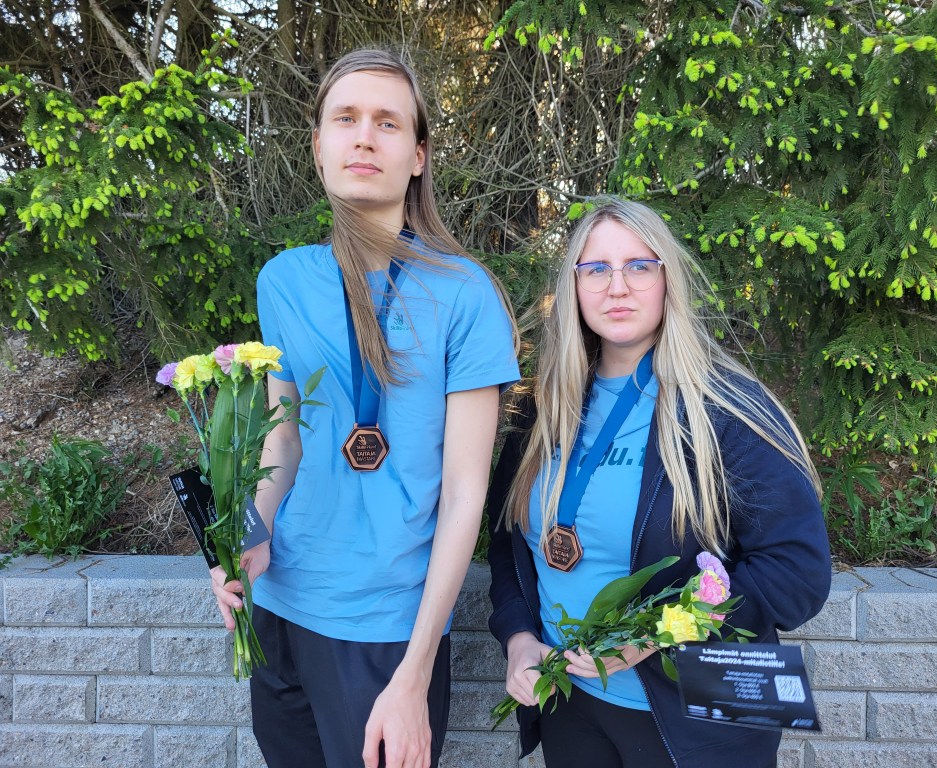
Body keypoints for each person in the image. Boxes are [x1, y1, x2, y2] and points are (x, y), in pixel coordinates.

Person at [210, 48, 520, 768]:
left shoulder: (465, 293)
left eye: (387, 122)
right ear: (318, 146)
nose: (363, 137)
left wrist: (414, 674)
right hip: (281, 606)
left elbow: (465, 494)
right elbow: (284, 440)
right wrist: (249, 533)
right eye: (345, 118)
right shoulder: (284, 280)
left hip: (385, 629)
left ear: (417, 155)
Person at [487, 197, 831, 768]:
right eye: (596, 269)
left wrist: (654, 635)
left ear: (668, 279)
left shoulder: (728, 412)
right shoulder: (540, 411)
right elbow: (507, 544)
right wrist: (518, 635)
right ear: (573, 286)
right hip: (571, 702)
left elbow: (797, 574)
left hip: (696, 720)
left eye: (639, 266)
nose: (617, 287)